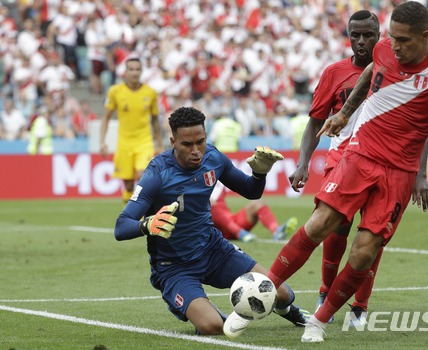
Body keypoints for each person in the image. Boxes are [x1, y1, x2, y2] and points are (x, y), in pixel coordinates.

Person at [260, 2, 428, 343]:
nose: (393, 45)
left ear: (424, 36)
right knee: (322, 224)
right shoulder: (383, 50)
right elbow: (370, 73)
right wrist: (344, 113)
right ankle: (267, 290)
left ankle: (324, 320)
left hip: (398, 172)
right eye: (392, 38)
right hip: (359, 155)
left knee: (365, 250)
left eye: (402, 40)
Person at [114, 106, 310, 337]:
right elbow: (121, 226)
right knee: (213, 327)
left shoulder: (214, 158)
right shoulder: (157, 172)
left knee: (280, 291)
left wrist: (259, 175)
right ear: (173, 142)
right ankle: (197, 308)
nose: (196, 150)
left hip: (215, 250)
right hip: (174, 266)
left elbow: (250, 191)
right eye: (187, 144)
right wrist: (146, 225)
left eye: (201, 141)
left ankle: (292, 312)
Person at [288, 10, 387, 327]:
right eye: (355, 34)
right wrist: (303, 164)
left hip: (385, 162)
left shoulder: (396, 73)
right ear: (348, 35)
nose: (361, 41)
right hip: (342, 160)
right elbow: (314, 121)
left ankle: (360, 306)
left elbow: (416, 123)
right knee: (335, 228)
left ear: (379, 33)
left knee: (372, 237)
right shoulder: (333, 73)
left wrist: (420, 174)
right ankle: (325, 293)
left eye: (368, 34)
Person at [100, 58, 163, 207]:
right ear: (125, 72)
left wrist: (159, 143)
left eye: (137, 69)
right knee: (128, 185)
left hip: (144, 141)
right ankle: (127, 218)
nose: (134, 73)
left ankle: (141, 216)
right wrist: (102, 142)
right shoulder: (115, 91)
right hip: (124, 143)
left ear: (141, 71)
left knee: (142, 178)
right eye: (131, 69)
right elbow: (106, 118)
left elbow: (155, 120)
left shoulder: (151, 93)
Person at [210, 181, 298, 242]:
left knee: (259, 204)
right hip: (214, 228)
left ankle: (276, 231)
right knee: (211, 206)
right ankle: (239, 233)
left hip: (230, 220)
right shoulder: (197, 179)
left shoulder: (219, 178)